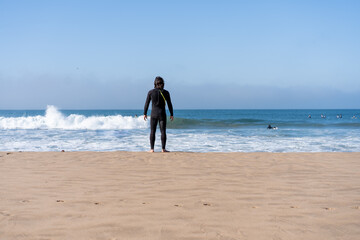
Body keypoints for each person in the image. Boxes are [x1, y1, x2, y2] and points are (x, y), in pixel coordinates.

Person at [144, 76, 174, 152]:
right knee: (163, 131)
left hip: (153, 114)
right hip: (162, 114)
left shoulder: (150, 92)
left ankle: (152, 149)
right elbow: (170, 104)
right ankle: (163, 149)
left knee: (152, 131)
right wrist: (171, 114)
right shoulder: (166, 92)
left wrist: (145, 113)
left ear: (155, 83)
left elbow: (146, 103)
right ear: (163, 83)